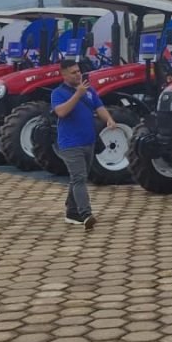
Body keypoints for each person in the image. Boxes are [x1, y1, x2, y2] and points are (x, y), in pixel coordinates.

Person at [51, 60, 116, 230]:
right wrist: (77, 95)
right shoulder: (58, 93)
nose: (78, 74)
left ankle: (71, 212)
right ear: (64, 75)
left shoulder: (89, 90)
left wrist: (108, 119)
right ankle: (86, 214)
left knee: (79, 177)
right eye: (73, 72)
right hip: (70, 143)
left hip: (88, 141)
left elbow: (99, 106)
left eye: (78, 71)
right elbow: (61, 112)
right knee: (79, 178)